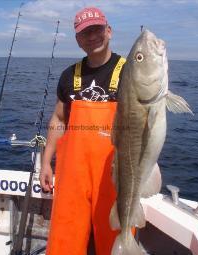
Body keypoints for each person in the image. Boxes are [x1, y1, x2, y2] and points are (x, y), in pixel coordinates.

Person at [39, 6, 126, 255]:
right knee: (67, 238)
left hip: (114, 175)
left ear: (108, 31)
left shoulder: (130, 72)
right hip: (73, 176)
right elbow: (58, 119)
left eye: (97, 29)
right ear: (78, 40)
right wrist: (46, 162)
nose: (92, 37)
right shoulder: (69, 76)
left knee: (114, 238)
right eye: (85, 33)